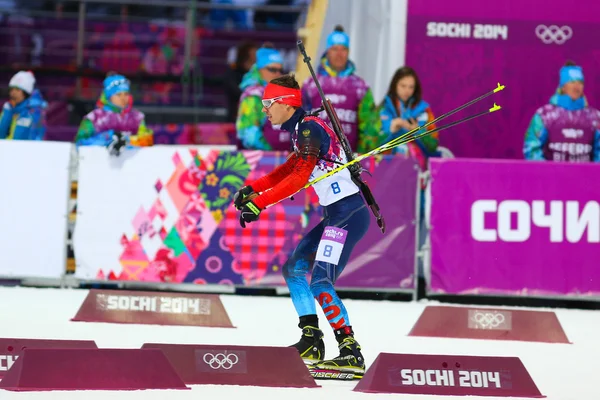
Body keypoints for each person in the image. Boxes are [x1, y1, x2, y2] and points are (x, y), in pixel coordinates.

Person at [233, 74, 369, 374]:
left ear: (286, 103)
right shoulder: (301, 130)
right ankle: (311, 339)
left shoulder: (309, 128)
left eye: (268, 104)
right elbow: (289, 169)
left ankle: (350, 351)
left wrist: (261, 203)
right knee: (294, 269)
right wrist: (253, 190)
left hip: (348, 215)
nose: (264, 110)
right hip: (337, 214)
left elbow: (298, 178)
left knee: (320, 281)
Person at [301, 25, 382, 154]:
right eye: (334, 49)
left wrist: (362, 157)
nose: (339, 54)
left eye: (343, 49)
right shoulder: (311, 85)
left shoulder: (360, 87)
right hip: (316, 159)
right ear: (327, 51)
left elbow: (370, 127)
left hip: (350, 159)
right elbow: (299, 122)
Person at [524, 61, 600, 162]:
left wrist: (593, 174)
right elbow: (531, 148)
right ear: (563, 86)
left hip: (586, 177)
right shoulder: (544, 115)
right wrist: (546, 173)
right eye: (572, 82)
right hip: (551, 176)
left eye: (580, 82)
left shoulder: (594, 117)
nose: (576, 87)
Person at [75, 73, 153, 155]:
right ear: (109, 96)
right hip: (97, 164)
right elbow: (79, 142)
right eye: (118, 94)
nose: (123, 98)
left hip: (131, 165)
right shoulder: (94, 118)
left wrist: (127, 140)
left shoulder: (137, 117)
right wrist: (106, 138)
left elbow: (147, 140)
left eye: (126, 94)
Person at [379, 66, 440, 169]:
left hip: (419, 170)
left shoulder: (424, 110)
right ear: (395, 85)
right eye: (403, 86)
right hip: (385, 169)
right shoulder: (383, 109)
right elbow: (368, 145)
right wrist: (390, 130)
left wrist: (418, 131)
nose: (407, 90)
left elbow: (433, 146)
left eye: (411, 87)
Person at [236, 43, 289, 151]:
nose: (277, 74)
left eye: (280, 70)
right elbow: (249, 137)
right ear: (259, 69)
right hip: (260, 161)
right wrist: (272, 154)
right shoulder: (253, 97)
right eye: (272, 70)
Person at [0, 71, 47, 141]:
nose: (13, 92)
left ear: (26, 93)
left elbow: (37, 137)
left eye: (17, 89)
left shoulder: (34, 111)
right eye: (11, 89)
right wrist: (7, 113)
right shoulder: (8, 109)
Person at [224, 40, 257, 122]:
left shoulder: (259, 74)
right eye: (253, 53)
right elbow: (237, 92)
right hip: (236, 119)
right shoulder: (233, 74)